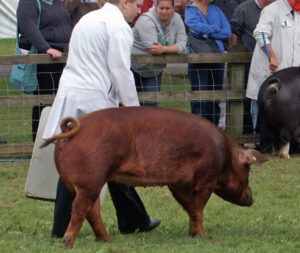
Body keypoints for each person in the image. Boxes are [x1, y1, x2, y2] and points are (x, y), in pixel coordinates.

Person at [42, 0, 160, 237]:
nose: (140, 10)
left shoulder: (89, 19)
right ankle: (65, 227)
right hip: (93, 101)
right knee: (102, 161)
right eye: (137, 5)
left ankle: (134, 219)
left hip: (72, 94)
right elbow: (120, 71)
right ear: (124, 3)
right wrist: (136, 113)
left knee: (93, 161)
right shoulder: (118, 27)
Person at [246, 0, 300, 152]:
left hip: (293, 84)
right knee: (269, 115)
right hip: (271, 75)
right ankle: (268, 147)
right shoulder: (273, 10)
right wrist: (272, 55)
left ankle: (291, 148)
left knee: (293, 117)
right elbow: (261, 33)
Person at [16, 0, 71, 141]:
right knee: (43, 100)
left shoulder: (55, 1)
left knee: (59, 99)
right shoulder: (28, 2)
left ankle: (57, 137)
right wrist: (46, 48)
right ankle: (39, 141)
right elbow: (29, 28)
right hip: (44, 58)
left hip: (61, 56)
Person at [230, 0, 275, 134]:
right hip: (246, 63)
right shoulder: (243, 9)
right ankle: (246, 133)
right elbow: (234, 34)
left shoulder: (276, 9)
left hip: (270, 63)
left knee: (268, 98)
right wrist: (235, 57)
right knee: (244, 97)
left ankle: (262, 132)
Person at [184, 0, 231, 125]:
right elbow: (191, 25)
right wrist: (215, 28)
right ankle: (198, 131)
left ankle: (214, 130)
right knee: (199, 99)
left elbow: (227, 32)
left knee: (215, 98)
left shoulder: (216, 10)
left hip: (217, 58)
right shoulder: (190, 10)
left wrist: (204, 33)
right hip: (198, 58)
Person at [131, 0, 187, 106]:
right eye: (161, 8)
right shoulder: (146, 20)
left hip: (155, 70)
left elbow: (182, 44)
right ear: (156, 7)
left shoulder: (177, 19)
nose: (164, 12)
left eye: (168, 8)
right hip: (133, 68)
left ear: (173, 8)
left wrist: (164, 49)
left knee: (151, 106)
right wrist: (172, 48)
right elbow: (153, 48)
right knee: (130, 106)